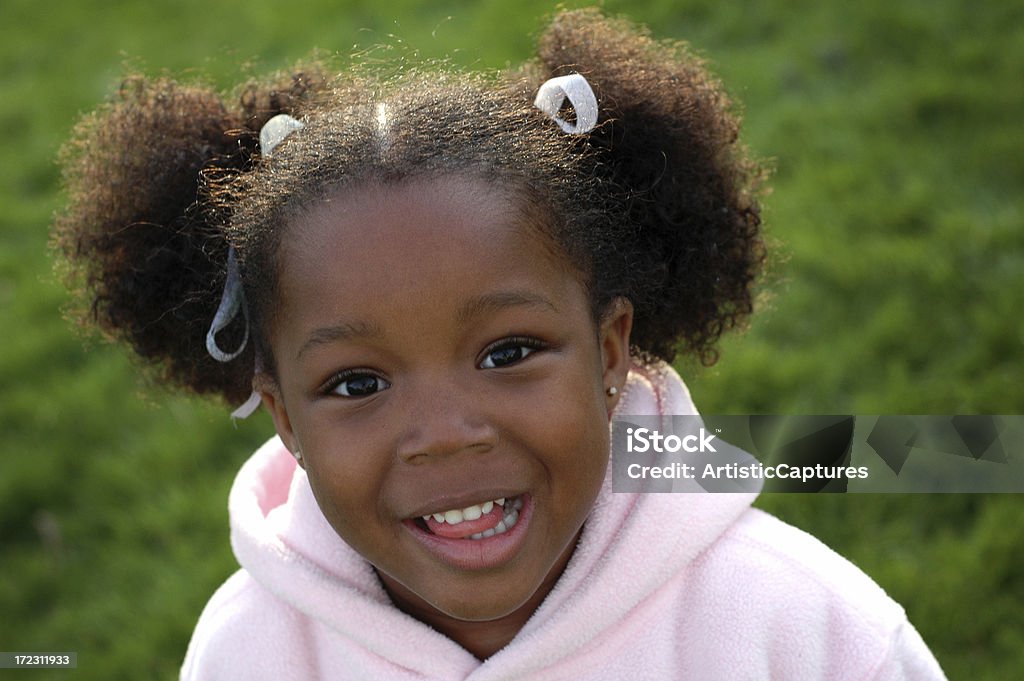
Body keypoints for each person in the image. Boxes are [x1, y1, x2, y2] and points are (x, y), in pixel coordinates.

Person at [53, 8, 947, 680]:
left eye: (508, 353)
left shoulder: (805, 630)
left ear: (609, 354)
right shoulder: (249, 650)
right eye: (358, 382)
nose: (445, 432)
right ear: (284, 418)